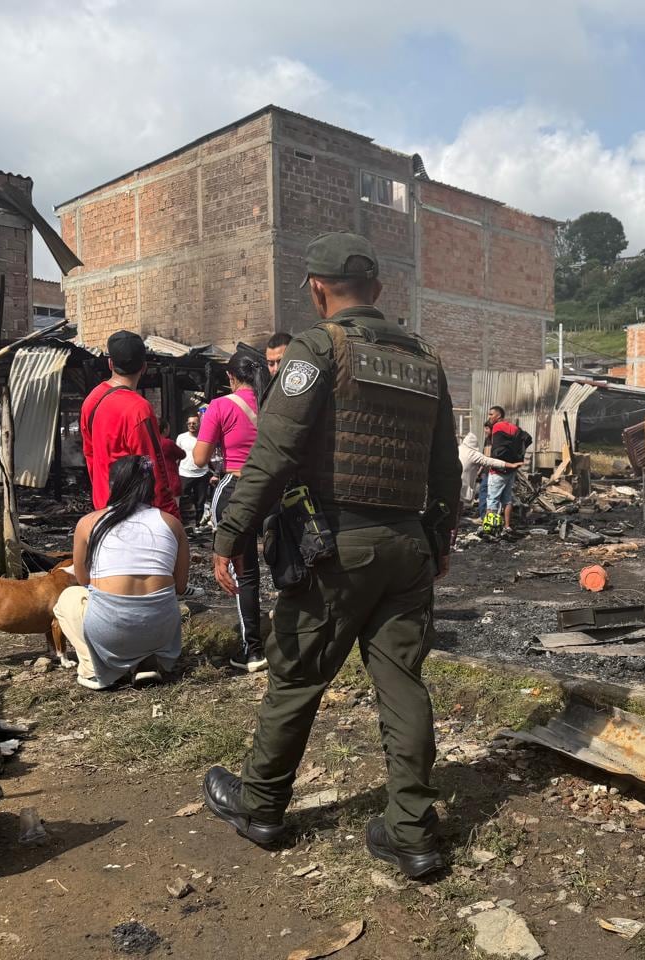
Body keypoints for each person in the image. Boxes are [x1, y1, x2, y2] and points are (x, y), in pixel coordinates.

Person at [200, 232, 460, 880]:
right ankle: (412, 834)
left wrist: (231, 532)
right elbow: (446, 467)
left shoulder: (318, 347)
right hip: (408, 546)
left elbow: (275, 452)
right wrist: (438, 540)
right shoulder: (426, 359)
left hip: (338, 547)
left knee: (297, 675)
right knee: (402, 683)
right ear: (377, 289)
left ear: (317, 290)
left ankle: (261, 805)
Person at [54, 455, 189, 691]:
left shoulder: (89, 522)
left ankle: (93, 668)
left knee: (68, 597)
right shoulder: (172, 523)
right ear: (151, 486)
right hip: (161, 632)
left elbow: (84, 581)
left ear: (112, 486)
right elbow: (180, 586)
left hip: (110, 630)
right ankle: (146, 661)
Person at [193, 350, 266, 673]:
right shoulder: (271, 404)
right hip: (274, 490)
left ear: (230, 377)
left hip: (236, 488)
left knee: (244, 572)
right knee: (287, 566)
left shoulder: (220, 406)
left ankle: (253, 651)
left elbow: (199, 458)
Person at [80, 330, 179, 517]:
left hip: (103, 513)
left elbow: (90, 456)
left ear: (110, 363)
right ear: (144, 367)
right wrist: (172, 517)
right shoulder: (139, 409)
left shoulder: (91, 400)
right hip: (133, 516)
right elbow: (154, 470)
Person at [483, 406, 532, 536]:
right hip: (511, 471)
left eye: (491, 414)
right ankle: (507, 526)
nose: (489, 417)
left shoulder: (497, 426)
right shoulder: (514, 427)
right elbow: (528, 438)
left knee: (492, 499)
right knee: (507, 499)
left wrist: (497, 460)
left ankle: (490, 528)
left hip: (498, 470)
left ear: (498, 416)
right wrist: (516, 457)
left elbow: (496, 450)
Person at [459, 431, 520, 507]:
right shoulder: (472, 454)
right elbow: (491, 461)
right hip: (463, 485)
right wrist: (511, 465)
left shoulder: (458, 449)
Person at [177, 414, 211, 526]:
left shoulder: (204, 438)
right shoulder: (181, 437)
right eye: (189, 423)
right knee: (183, 501)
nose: (191, 425)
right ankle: (184, 526)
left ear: (199, 424)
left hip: (202, 474)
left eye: (194, 423)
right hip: (184, 473)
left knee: (200, 503)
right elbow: (177, 456)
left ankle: (198, 525)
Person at [158, 419, 184, 500]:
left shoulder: (150, 442)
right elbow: (182, 454)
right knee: (174, 506)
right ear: (165, 430)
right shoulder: (168, 443)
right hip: (171, 481)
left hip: (156, 483)